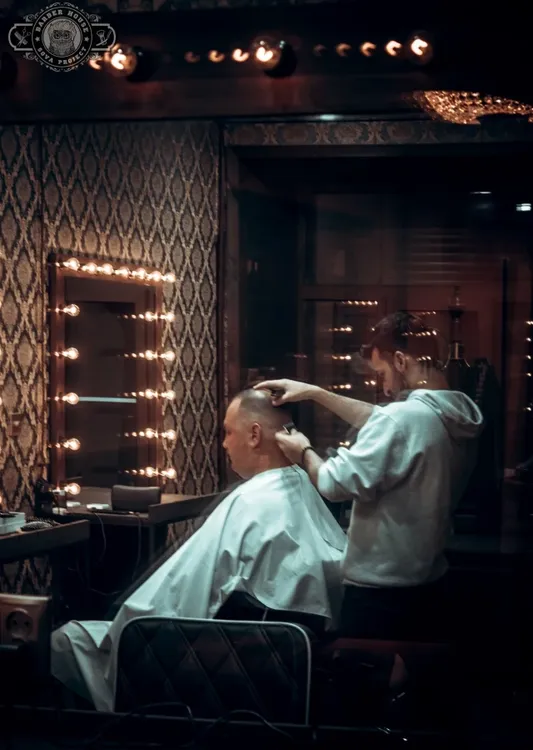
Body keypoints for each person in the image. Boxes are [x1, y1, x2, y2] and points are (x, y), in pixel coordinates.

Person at [51, 388, 346, 712]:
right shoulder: (299, 485)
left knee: (67, 639)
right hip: (285, 659)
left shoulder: (250, 502)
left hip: (219, 653)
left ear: (254, 435)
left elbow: (175, 597)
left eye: (228, 432)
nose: (224, 444)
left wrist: (123, 625)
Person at [255, 311, 484, 641]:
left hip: (381, 596)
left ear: (401, 361)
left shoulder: (404, 419)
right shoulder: (453, 416)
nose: (385, 388)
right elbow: (381, 418)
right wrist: (315, 393)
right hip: (430, 582)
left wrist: (303, 451)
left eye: (382, 374)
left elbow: (333, 482)